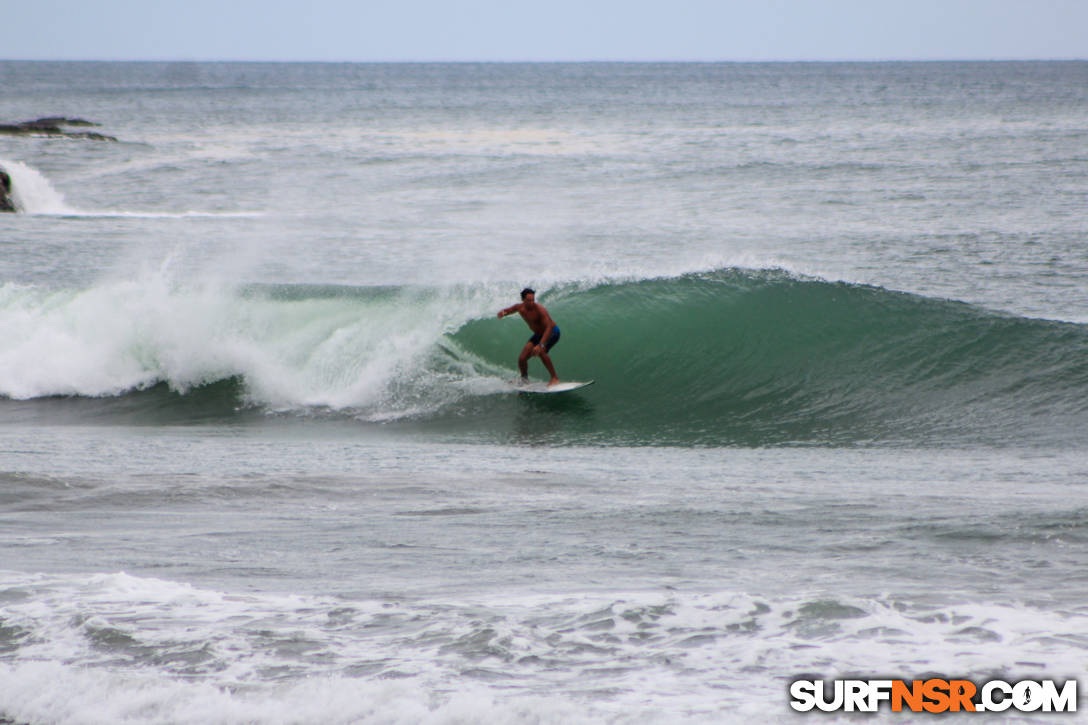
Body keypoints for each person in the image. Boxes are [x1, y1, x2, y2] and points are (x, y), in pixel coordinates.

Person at [497, 288, 560, 385]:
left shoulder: (540, 310)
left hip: (552, 332)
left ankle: (554, 378)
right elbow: (509, 310)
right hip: (538, 334)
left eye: (533, 300)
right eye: (529, 300)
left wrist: (540, 345)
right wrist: (503, 313)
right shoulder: (520, 308)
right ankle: (524, 379)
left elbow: (548, 328)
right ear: (523, 300)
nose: (531, 303)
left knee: (541, 352)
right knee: (522, 358)